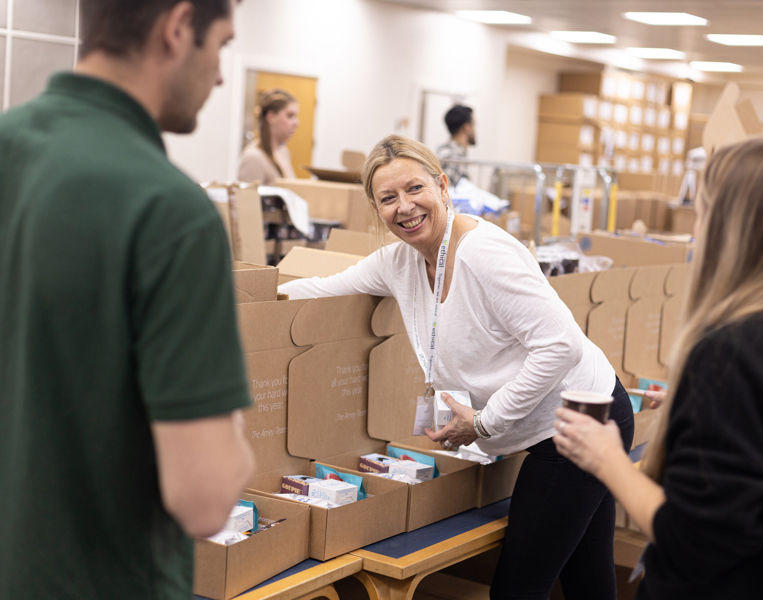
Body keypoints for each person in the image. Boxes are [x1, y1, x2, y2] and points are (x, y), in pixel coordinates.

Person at [279, 134, 634, 599]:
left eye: (414, 189)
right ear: (376, 207)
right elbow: (326, 287)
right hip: (552, 423)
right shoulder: (400, 262)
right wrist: (246, 296)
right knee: (587, 578)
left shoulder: (483, 255)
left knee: (517, 588)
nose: (404, 207)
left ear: (442, 186)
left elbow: (560, 346)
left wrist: (486, 423)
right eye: (388, 198)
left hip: (579, 420)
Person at [0, 1, 256, 599]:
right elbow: (205, 499)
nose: (221, 75)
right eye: (219, 44)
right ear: (176, 27)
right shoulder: (171, 213)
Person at [554, 138, 763, 599]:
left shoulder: (731, 354)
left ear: (732, 228)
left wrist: (607, 460)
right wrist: (703, 412)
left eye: (703, 212)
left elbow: (696, 540)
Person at [237, 89, 299, 184]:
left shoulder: (284, 152)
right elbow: (247, 198)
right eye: (290, 116)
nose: (297, 123)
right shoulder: (254, 158)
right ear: (271, 117)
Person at [436, 104, 475, 186]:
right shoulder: (455, 156)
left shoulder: (444, 150)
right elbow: (444, 189)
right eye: (474, 125)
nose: (475, 130)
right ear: (467, 127)